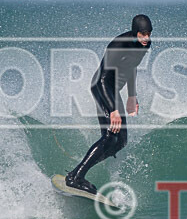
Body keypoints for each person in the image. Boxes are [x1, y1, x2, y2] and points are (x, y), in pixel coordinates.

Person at [65, 14, 152, 193]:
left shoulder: (144, 45)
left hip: (114, 92)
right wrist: (113, 110)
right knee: (110, 137)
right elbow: (103, 79)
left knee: (121, 142)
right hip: (101, 88)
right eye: (143, 34)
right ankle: (75, 177)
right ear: (135, 31)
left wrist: (132, 96)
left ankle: (80, 170)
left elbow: (132, 67)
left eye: (149, 34)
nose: (146, 38)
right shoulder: (118, 45)